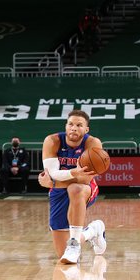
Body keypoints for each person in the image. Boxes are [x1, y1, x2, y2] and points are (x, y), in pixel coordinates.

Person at [38, 109, 107, 264]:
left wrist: (54, 182)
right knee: (62, 254)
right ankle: (93, 230)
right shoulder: (52, 141)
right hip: (58, 190)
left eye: (79, 125)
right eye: (70, 124)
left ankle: (74, 244)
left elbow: (85, 179)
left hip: (85, 188)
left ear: (86, 129)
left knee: (75, 189)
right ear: (66, 126)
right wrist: (71, 174)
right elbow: (52, 173)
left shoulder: (93, 143)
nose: (74, 128)